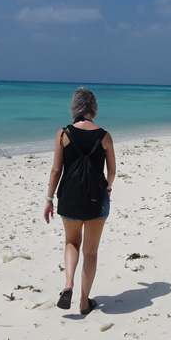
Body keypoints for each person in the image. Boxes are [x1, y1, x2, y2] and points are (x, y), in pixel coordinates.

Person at [44, 87, 116, 315]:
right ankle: (85, 301)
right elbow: (112, 171)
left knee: (71, 243)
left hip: (70, 198)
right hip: (97, 200)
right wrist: (108, 188)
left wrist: (48, 199)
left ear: (74, 107)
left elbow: (56, 170)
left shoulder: (63, 134)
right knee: (91, 252)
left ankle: (68, 284)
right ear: (93, 108)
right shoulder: (104, 135)